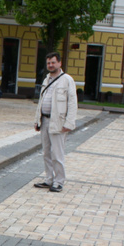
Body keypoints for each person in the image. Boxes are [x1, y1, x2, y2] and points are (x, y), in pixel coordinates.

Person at [33, 52, 77, 193]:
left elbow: (72, 103)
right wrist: (37, 120)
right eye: (48, 63)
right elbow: (41, 101)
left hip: (58, 122)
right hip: (45, 120)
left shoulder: (67, 80)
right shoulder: (46, 79)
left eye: (53, 62)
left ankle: (59, 181)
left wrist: (69, 123)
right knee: (46, 152)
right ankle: (49, 179)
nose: (50, 65)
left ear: (59, 63)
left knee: (57, 153)